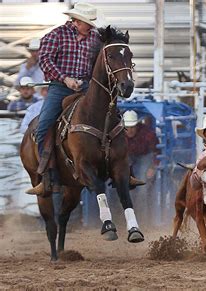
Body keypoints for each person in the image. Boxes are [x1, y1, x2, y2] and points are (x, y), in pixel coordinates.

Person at [26, 2, 141, 195]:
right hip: (60, 87)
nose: (91, 26)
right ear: (76, 21)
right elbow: (45, 60)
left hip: (89, 87)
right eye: (88, 22)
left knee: (115, 121)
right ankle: (47, 175)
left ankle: (125, 171)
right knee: (44, 126)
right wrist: (65, 78)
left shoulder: (95, 38)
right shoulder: (56, 35)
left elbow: (107, 59)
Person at [123, 110, 161, 224]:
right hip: (126, 158)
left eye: (132, 127)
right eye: (127, 127)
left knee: (142, 187)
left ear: (137, 125)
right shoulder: (118, 135)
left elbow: (157, 152)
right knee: (122, 188)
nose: (129, 130)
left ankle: (142, 220)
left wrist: (153, 167)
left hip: (145, 157)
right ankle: (125, 219)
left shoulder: (148, 133)